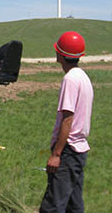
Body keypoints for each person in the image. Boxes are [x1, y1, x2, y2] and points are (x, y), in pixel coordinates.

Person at [40, 31, 94, 213]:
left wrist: (56, 154)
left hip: (68, 151)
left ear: (60, 55)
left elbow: (67, 119)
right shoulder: (83, 77)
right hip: (79, 150)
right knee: (73, 204)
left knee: (53, 206)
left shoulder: (70, 79)